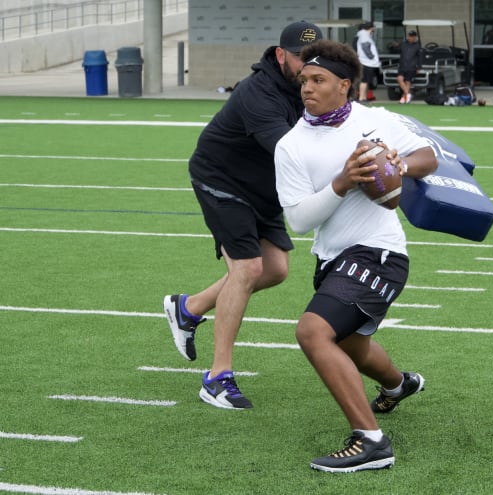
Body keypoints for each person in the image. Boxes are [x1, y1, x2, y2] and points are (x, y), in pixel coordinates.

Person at [274, 39, 438, 473]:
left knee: (312, 332)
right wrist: (343, 181)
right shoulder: (291, 145)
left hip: (380, 254)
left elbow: (429, 156)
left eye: (318, 80)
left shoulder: (375, 120)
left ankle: (371, 441)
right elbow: (298, 221)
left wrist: (397, 166)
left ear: (344, 84)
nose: (306, 88)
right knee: (353, 345)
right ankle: (400, 385)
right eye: (303, 80)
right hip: (332, 259)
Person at [163, 20, 322, 411]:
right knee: (247, 269)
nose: (308, 68)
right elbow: (292, 155)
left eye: (315, 58)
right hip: (222, 180)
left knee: (275, 269)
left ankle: (189, 309)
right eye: (302, 59)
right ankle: (217, 378)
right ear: (281, 54)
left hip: (262, 189)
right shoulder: (259, 93)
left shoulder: (314, 83)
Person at [355, 21, 380, 102]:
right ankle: (362, 97)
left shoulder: (363, 35)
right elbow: (366, 47)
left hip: (366, 62)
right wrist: (371, 57)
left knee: (365, 80)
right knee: (364, 80)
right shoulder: (365, 35)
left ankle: (364, 97)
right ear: (371, 28)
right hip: (367, 62)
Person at [396, 30, 422, 104]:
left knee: (408, 81)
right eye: (409, 36)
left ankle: (404, 98)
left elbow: (420, 57)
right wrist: (395, 46)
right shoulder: (403, 44)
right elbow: (397, 50)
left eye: (412, 36)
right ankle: (408, 94)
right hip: (402, 66)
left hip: (412, 66)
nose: (410, 38)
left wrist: (419, 67)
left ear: (415, 37)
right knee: (399, 79)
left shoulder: (417, 46)